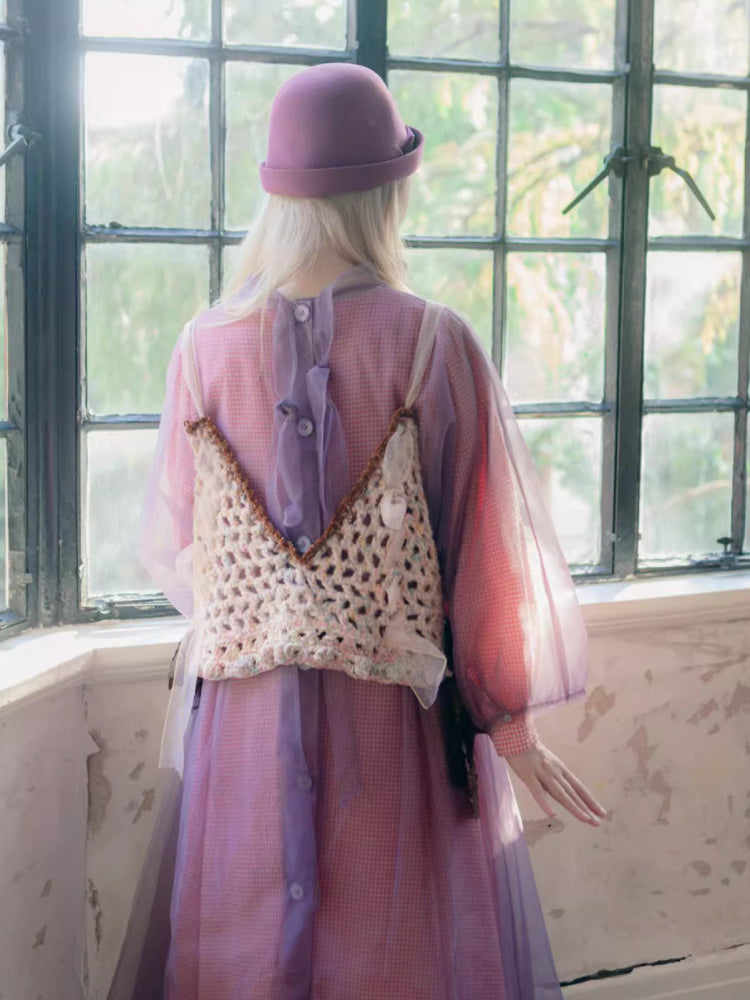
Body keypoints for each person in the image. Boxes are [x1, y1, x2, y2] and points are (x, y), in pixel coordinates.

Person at [121, 61, 606, 1000]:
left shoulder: (202, 349)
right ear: (387, 193)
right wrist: (507, 722)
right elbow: (486, 555)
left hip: (241, 733)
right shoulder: (430, 341)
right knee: (396, 958)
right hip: (394, 734)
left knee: (249, 958)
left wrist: (274, 622)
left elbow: (182, 548)